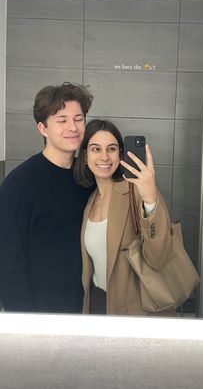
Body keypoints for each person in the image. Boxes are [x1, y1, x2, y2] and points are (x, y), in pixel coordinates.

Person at [0, 82, 93, 313]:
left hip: (84, 307)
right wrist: (24, 320)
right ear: (42, 128)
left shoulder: (89, 178)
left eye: (78, 118)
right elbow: (8, 260)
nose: (73, 127)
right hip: (39, 313)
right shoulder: (20, 184)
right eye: (62, 120)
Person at [74, 119, 174, 315]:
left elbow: (159, 257)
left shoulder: (137, 191)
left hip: (134, 310)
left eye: (111, 149)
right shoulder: (90, 201)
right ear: (85, 156)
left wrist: (150, 198)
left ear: (120, 154)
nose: (104, 157)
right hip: (96, 303)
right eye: (96, 149)